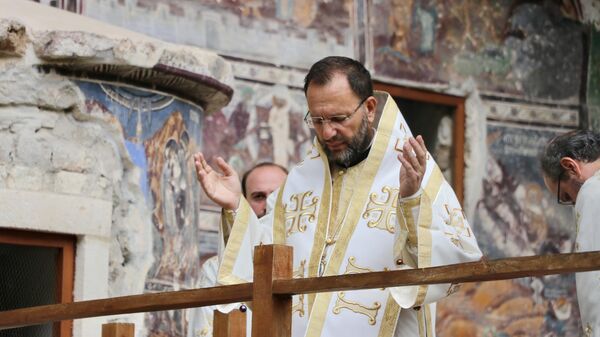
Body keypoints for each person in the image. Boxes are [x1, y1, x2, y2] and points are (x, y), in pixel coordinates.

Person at [194, 56, 482, 337]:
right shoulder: (299, 182)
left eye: (338, 118)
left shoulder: (413, 169)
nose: (327, 132)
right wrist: (235, 206)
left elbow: (454, 260)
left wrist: (410, 201)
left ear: (369, 108)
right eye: (317, 120)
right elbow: (266, 260)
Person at [187, 162, 288, 337]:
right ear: (245, 203)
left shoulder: (311, 260)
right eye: (258, 197)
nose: (268, 205)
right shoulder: (215, 269)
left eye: (276, 196)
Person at [540, 129, 600, 337]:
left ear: (570, 166)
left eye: (565, 196)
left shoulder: (592, 191)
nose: (573, 203)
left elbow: (593, 278)